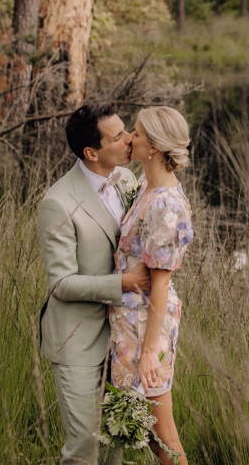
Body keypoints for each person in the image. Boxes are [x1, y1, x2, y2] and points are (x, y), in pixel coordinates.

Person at [37, 102, 147, 465]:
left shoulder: (128, 180)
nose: (130, 139)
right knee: (84, 449)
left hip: (123, 337)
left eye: (126, 131)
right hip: (77, 339)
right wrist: (123, 283)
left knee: (118, 443)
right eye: (118, 137)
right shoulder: (57, 202)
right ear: (91, 152)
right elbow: (62, 284)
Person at [109, 106, 194, 465]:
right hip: (129, 323)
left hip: (148, 327)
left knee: (163, 434)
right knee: (141, 428)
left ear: (155, 147)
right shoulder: (145, 185)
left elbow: (159, 285)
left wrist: (148, 352)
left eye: (138, 133)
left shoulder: (165, 205)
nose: (130, 136)